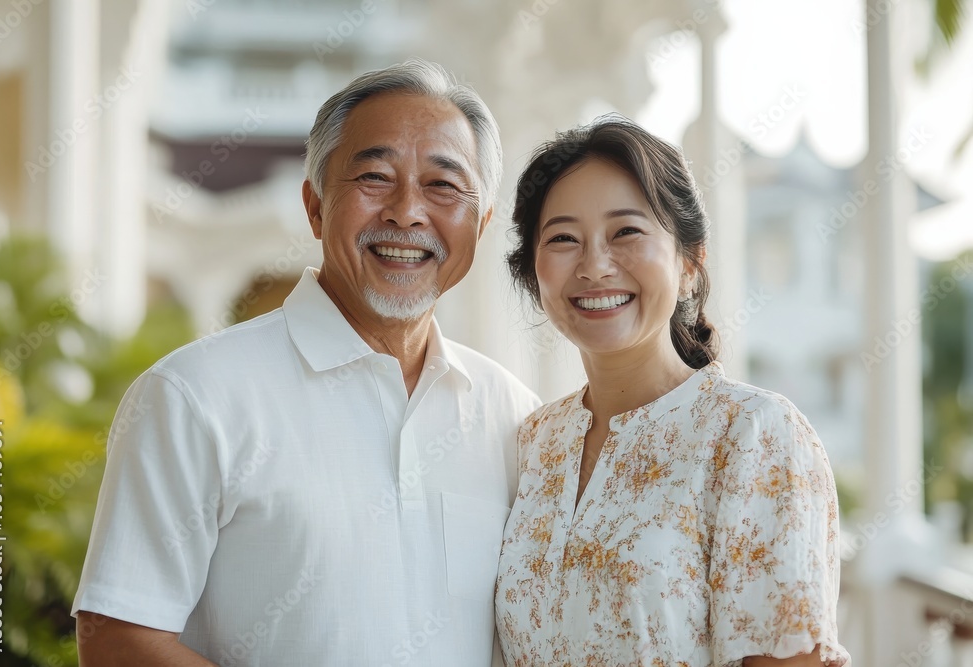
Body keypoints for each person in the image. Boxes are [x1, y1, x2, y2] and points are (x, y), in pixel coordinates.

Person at [73, 59, 539, 666]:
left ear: (480, 224)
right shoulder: (193, 396)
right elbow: (117, 640)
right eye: (374, 176)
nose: (407, 212)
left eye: (443, 185)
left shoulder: (516, 418)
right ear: (315, 205)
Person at [495, 116, 850, 666]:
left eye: (626, 232)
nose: (594, 265)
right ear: (532, 270)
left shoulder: (752, 436)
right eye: (563, 238)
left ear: (690, 262)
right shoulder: (533, 442)